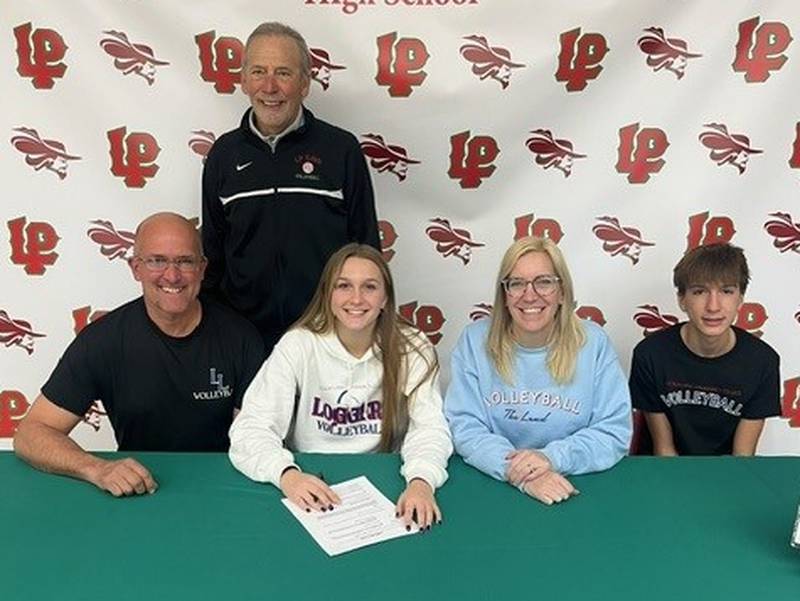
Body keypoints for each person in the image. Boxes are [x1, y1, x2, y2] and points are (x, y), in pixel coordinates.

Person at [13, 213, 265, 497]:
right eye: (157, 261)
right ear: (136, 268)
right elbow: (31, 433)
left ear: (203, 268)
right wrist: (98, 469)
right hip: (137, 491)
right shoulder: (102, 341)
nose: (172, 275)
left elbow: (256, 437)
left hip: (223, 489)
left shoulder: (240, 338)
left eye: (185, 261)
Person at [229, 243, 451, 530]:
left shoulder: (413, 346)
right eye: (343, 285)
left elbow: (430, 427)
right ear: (327, 294)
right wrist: (287, 475)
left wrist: (422, 481)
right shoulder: (299, 344)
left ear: (385, 297)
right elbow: (251, 427)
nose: (356, 298)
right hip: (310, 478)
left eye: (370, 287)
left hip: (386, 479)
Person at [202, 22, 379, 355]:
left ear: (305, 84)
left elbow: (366, 250)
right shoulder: (223, 156)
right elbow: (212, 257)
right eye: (258, 72)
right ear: (243, 80)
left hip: (327, 337)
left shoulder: (341, 150)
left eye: (283, 73)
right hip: (245, 341)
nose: (270, 87)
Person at [445, 236, 631, 506]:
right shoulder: (475, 341)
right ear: (504, 295)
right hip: (495, 485)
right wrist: (523, 474)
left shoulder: (593, 343)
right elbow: (465, 426)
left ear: (562, 292)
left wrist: (550, 459)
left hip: (575, 486)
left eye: (544, 282)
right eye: (516, 283)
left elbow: (613, 431)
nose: (529, 295)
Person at [629, 243, 780, 455]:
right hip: (667, 472)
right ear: (682, 300)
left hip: (726, 475)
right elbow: (664, 450)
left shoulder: (763, 361)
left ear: (741, 298)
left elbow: (743, 456)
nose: (713, 306)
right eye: (699, 291)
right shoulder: (650, 355)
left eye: (726, 291)